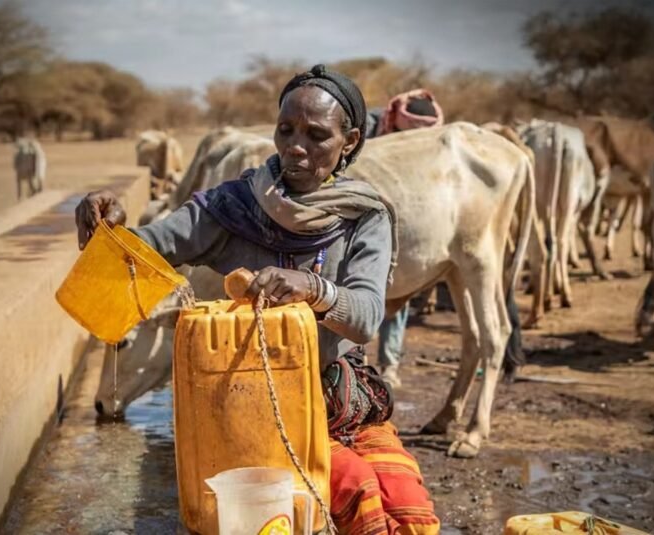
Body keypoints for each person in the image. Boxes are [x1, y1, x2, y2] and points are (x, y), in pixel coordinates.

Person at [75, 65, 439, 534]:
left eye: (316, 135)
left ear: (349, 141)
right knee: (358, 493)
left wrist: (313, 288)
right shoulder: (232, 207)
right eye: (286, 130)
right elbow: (148, 248)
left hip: (342, 402)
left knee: (410, 512)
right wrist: (111, 227)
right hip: (256, 407)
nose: (296, 147)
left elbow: (366, 318)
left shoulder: (364, 216)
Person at [366, 89, 445, 388]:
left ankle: (389, 364)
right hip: (363, 217)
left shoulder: (429, 140)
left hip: (404, 220)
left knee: (398, 286)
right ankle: (355, 362)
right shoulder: (369, 127)